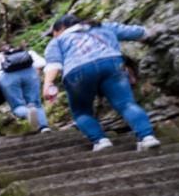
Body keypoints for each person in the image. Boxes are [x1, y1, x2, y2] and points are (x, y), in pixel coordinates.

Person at [43, 13, 160, 152]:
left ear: (61, 28)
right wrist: (154, 33)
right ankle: (147, 137)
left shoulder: (57, 41)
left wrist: (48, 84)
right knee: (126, 104)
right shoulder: (103, 26)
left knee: (81, 112)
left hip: (77, 71)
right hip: (111, 63)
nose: (54, 36)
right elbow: (139, 32)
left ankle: (101, 141)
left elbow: (53, 65)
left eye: (54, 33)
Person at [0, 43, 50, 132]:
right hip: (30, 74)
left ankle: (27, 112)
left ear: (2, 50)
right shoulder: (28, 53)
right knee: (36, 104)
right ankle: (44, 127)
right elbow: (43, 62)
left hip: (8, 78)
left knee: (17, 106)